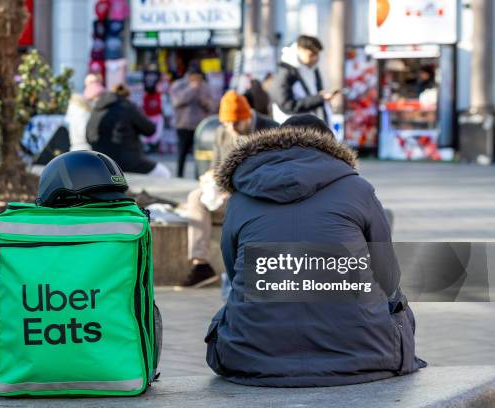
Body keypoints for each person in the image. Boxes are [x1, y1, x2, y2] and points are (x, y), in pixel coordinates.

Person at [205, 114, 426, 386]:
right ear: (332, 150)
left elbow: (231, 266)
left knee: (229, 308)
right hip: (366, 355)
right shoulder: (358, 188)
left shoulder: (241, 196)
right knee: (396, 301)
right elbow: (389, 278)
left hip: (250, 359)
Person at [182, 90, 277, 287]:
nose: (232, 128)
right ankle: (201, 265)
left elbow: (272, 174)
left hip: (256, 197)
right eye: (227, 123)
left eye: (236, 123)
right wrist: (211, 178)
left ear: (247, 116)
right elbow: (217, 166)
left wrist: (232, 183)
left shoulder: (270, 130)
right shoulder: (222, 133)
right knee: (195, 197)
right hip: (228, 194)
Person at [86, 84, 171, 177]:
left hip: (101, 162)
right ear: (127, 96)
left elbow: (88, 137)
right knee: (164, 174)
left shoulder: (96, 109)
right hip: (127, 161)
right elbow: (150, 129)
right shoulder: (127, 107)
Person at [269, 35, 339, 126]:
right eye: (311, 55)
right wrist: (319, 99)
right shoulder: (285, 73)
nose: (315, 58)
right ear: (299, 49)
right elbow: (286, 105)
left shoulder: (313, 69)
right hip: (291, 129)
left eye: (317, 55)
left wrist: (321, 98)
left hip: (310, 127)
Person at [170, 64, 217, 177]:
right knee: (182, 153)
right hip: (183, 125)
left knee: (199, 154)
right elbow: (177, 101)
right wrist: (191, 89)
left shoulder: (205, 86)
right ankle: (179, 176)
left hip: (199, 126)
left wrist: (204, 100)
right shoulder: (179, 84)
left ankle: (198, 176)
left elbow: (212, 106)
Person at [65, 74, 105, 151]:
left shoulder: (85, 106)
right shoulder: (80, 108)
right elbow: (85, 132)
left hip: (83, 148)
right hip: (84, 149)